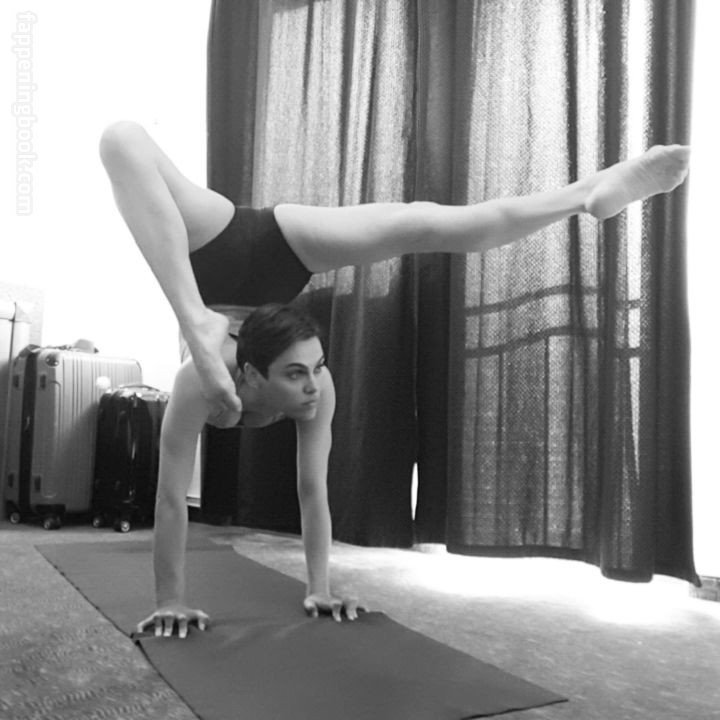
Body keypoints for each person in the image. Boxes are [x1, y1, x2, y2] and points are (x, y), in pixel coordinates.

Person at [98, 120, 690, 638]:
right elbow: (170, 497)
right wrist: (170, 600)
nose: (313, 386)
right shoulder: (204, 384)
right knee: (120, 139)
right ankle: (195, 317)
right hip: (241, 267)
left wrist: (319, 587)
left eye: (314, 371)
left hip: (227, 251)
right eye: (300, 374)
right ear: (252, 376)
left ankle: (589, 192)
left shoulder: (271, 384)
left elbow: (312, 491)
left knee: (426, 223)